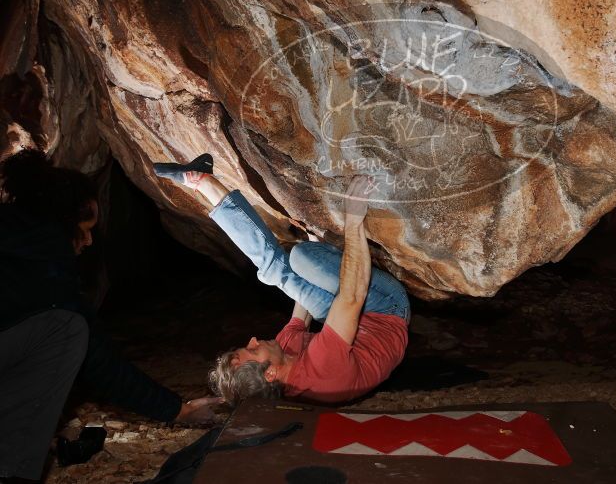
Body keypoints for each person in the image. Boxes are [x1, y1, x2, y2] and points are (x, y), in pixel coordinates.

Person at [0, 150, 220, 483]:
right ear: (62, 220)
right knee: (67, 331)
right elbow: (99, 360)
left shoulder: (15, 241)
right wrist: (178, 410)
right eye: (85, 228)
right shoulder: (45, 262)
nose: (89, 241)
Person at [154, 154, 410, 405]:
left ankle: (203, 181)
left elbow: (301, 304)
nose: (253, 340)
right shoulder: (323, 370)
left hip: (351, 316)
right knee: (301, 258)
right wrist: (354, 220)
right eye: (253, 350)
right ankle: (203, 181)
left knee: (275, 272)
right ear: (270, 374)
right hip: (388, 309)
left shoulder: (281, 357)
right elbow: (352, 297)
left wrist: (305, 258)